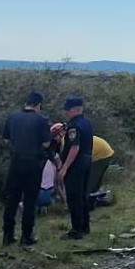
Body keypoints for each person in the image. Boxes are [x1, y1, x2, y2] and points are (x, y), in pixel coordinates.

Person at [1, 91, 51, 246]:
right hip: (33, 164)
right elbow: (46, 144)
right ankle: (26, 236)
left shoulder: (12, 117)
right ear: (38, 105)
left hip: (16, 162)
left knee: (12, 200)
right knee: (30, 201)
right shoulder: (41, 120)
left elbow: (5, 139)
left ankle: (8, 235)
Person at [59, 96, 94, 240]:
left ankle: (76, 230)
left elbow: (74, 147)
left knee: (74, 197)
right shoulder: (86, 122)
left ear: (74, 109)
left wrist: (65, 167)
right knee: (83, 195)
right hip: (87, 160)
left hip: (76, 163)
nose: (66, 112)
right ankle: (85, 227)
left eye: (67, 109)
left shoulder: (74, 125)